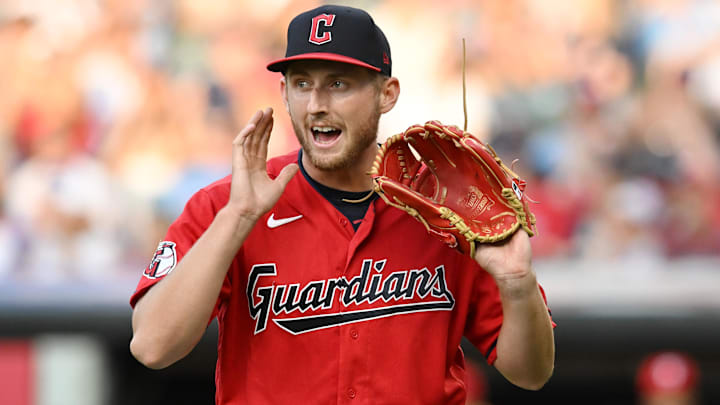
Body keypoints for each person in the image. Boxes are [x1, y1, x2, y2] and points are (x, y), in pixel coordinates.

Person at [129, 5, 555, 404]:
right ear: (284, 92)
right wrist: (237, 219)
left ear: (387, 94)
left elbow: (531, 373)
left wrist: (518, 282)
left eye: (338, 83)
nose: (316, 105)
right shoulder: (225, 204)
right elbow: (152, 347)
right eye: (302, 84)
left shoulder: (447, 208)